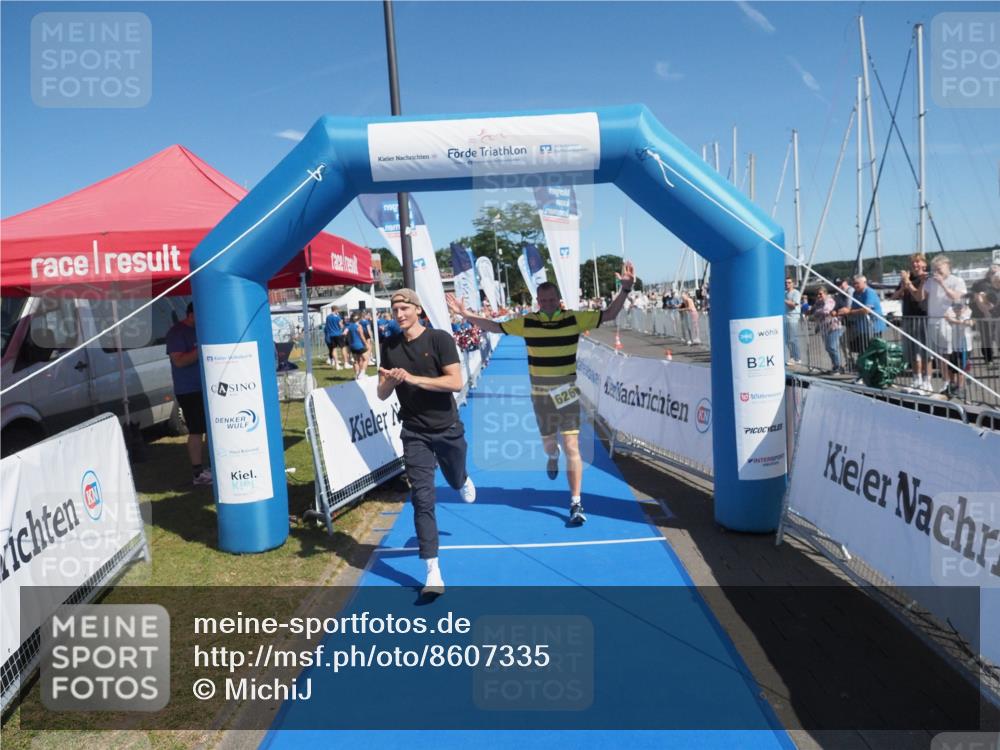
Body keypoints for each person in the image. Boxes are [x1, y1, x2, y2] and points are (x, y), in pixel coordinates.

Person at [446, 261, 637, 526]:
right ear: (537, 301)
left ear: (559, 299)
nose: (546, 303)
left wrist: (626, 289)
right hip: (540, 396)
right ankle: (551, 454)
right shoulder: (528, 322)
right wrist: (466, 314)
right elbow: (494, 326)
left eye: (551, 299)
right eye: (542, 299)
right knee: (550, 444)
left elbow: (609, 314)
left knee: (573, 446)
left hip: (566, 393)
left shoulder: (574, 318)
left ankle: (576, 503)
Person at [377, 289, 475, 596]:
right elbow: (381, 393)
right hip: (414, 432)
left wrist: (414, 379)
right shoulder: (389, 345)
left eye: (405, 308)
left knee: (456, 474)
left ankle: (461, 479)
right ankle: (433, 572)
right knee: (422, 498)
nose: (399, 314)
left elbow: (455, 382)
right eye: (395, 309)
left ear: (418, 310)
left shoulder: (440, 339)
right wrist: (391, 382)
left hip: (447, 428)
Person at [166, 302, 212, 486]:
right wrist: (201, 348)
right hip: (189, 389)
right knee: (196, 429)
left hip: (209, 387)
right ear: (191, 315)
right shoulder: (176, 333)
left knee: (212, 429)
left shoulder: (204, 328)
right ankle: (198, 473)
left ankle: (213, 467)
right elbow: (179, 361)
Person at [920, 255, 967, 393]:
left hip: (949, 321)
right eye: (934, 269)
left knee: (953, 355)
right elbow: (921, 297)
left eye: (939, 269)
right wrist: (923, 282)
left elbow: (956, 297)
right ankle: (947, 381)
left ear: (948, 266)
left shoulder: (957, 280)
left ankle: (959, 385)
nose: (936, 272)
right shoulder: (931, 281)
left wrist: (942, 283)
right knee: (940, 355)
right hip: (933, 320)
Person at [891, 253, 930, 390]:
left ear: (924, 263)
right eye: (913, 262)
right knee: (912, 351)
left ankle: (927, 381)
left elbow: (919, 297)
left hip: (922, 317)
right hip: (908, 317)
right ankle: (916, 378)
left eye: (918, 262)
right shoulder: (907, 279)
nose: (915, 264)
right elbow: (894, 296)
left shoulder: (926, 278)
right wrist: (903, 286)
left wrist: (908, 282)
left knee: (925, 352)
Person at [837, 275, 885, 364]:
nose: (855, 285)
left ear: (864, 283)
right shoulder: (855, 293)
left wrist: (849, 312)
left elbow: (866, 310)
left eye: (857, 283)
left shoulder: (869, 292)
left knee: (872, 350)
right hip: (861, 327)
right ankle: (853, 363)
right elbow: (852, 308)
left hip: (873, 327)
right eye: (854, 283)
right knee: (848, 342)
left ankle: (872, 369)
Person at [943, 295, 974, 400]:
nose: (958, 309)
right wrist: (953, 318)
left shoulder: (968, 313)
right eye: (956, 307)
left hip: (964, 347)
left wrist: (956, 320)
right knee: (951, 367)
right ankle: (952, 384)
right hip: (953, 346)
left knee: (961, 369)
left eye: (960, 307)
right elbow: (947, 316)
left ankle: (960, 388)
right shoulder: (952, 313)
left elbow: (968, 322)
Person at [810, 286, 844, 374]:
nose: (818, 296)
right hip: (824, 328)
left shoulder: (829, 300)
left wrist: (817, 312)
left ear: (825, 293)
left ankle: (838, 367)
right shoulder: (818, 302)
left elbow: (826, 310)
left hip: (834, 327)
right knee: (828, 348)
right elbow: (813, 311)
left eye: (820, 294)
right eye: (817, 294)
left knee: (832, 347)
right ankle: (835, 366)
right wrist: (816, 312)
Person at [971, 265, 1000, 365]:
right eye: (992, 272)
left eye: (996, 272)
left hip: (997, 316)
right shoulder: (980, 283)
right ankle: (989, 359)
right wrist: (984, 311)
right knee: (986, 338)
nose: (994, 274)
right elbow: (975, 298)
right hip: (984, 316)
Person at [345, 312, 370, 379]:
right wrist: (366, 344)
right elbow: (361, 336)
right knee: (366, 359)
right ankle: (362, 373)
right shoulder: (359, 326)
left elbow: (344, 333)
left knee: (357, 360)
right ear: (359, 319)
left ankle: (357, 374)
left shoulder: (350, 326)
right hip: (359, 345)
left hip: (352, 345)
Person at [783, 277, 802, 364]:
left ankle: (797, 358)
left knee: (793, 338)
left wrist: (783, 300)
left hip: (793, 318)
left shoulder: (796, 293)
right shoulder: (785, 293)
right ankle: (792, 356)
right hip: (786, 318)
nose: (787, 284)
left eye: (789, 282)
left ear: (793, 283)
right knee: (787, 339)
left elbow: (793, 305)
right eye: (786, 283)